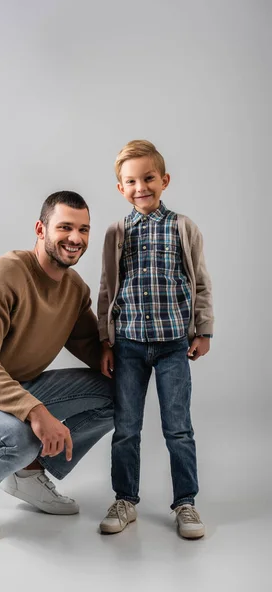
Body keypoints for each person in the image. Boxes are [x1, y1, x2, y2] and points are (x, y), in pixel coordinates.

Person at [0, 191, 113, 541]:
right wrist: (36, 413)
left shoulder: (74, 289)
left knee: (121, 395)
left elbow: (91, 345)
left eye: (84, 229)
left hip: (17, 389)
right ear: (41, 229)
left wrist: (139, 360)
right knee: (22, 434)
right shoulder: (3, 273)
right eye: (65, 227)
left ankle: (28, 474)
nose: (76, 238)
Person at [97, 140, 214, 538]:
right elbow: (106, 289)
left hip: (173, 347)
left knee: (178, 428)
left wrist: (204, 330)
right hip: (128, 344)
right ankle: (125, 499)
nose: (140, 187)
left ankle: (186, 503)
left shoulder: (183, 227)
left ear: (164, 181)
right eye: (130, 181)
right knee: (126, 426)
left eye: (148, 178)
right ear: (120, 188)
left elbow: (200, 283)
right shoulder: (116, 232)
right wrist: (106, 341)